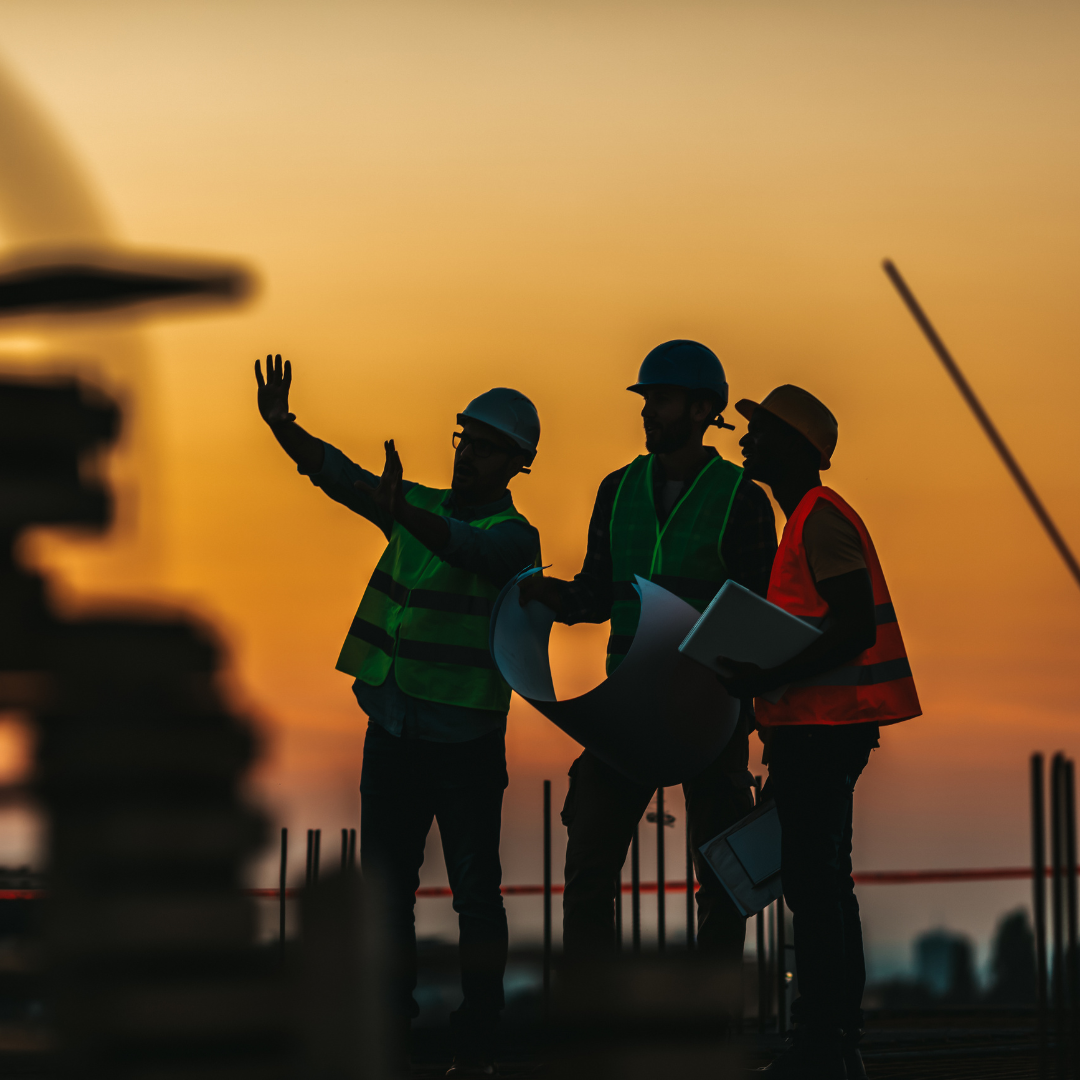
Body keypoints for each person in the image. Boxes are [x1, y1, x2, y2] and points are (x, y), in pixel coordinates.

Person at [254, 354, 541, 1078]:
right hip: (393, 727)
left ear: (516, 463)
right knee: (386, 891)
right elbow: (343, 478)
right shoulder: (412, 503)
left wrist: (404, 509)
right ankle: (390, 1031)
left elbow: (467, 549)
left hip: (465, 740)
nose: (467, 453)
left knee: (476, 894)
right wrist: (285, 428)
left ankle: (479, 1040)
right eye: (463, 439)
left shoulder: (517, 538)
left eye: (483, 445)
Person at [520, 339, 777, 973]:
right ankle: (598, 1032)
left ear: (700, 410)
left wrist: (753, 714)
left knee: (721, 880)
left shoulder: (739, 497)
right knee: (587, 875)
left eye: (659, 400)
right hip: (629, 711)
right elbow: (600, 591)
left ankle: (704, 1035)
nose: (647, 411)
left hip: (710, 713)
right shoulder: (617, 490)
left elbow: (758, 616)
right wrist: (551, 599)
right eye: (647, 400)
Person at [715, 385, 921, 1080]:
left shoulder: (819, 518)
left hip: (825, 731)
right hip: (816, 729)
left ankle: (822, 1041)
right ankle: (833, 1037)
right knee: (825, 880)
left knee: (816, 882)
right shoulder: (804, 519)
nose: (746, 442)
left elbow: (853, 625)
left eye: (760, 432)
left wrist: (766, 674)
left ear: (797, 448)